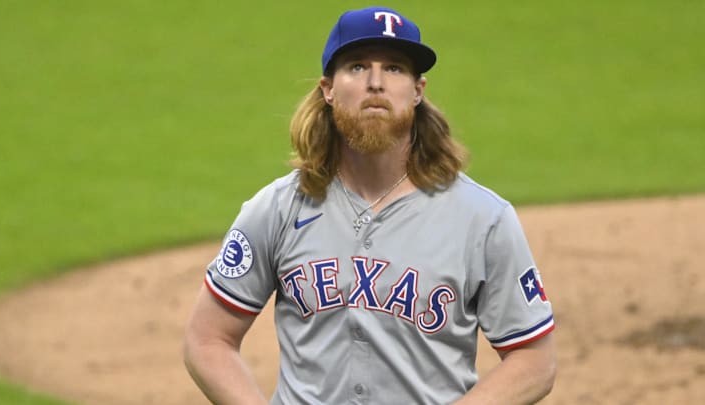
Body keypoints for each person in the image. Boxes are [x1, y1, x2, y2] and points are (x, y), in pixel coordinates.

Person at [183, 6, 556, 405]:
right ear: (328, 88)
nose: (375, 83)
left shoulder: (483, 219)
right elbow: (207, 339)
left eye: (394, 68)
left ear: (418, 91)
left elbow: (534, 360)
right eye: (358, 67)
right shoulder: (278, 208)